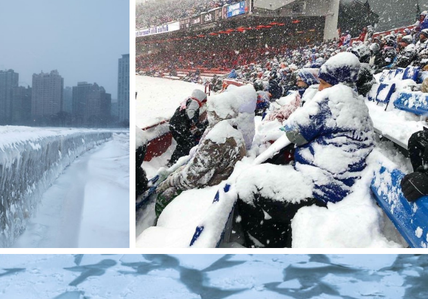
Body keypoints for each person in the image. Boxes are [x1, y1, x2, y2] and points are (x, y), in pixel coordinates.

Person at [238, 52, 375, 247]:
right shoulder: (357, 102)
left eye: (323, 83)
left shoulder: (333, 97)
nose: (319, 88)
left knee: (247, 184)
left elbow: (294, 132)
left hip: (322, 189)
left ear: (335, 82)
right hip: (341, 185)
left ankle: (264, 244)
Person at [155, 85, 255, 219]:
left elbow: (191, 178)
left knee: (164, 198)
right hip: (221, 184)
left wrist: (170, 181)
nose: (207, 115)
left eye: (209, 111)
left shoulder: (218, 138)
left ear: (216, 112)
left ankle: (161, 227)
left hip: (210, 192)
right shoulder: (232, 129)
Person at [168, 89, 208, 165]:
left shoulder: (188, 101)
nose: (203, 104)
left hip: (175, 125)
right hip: (179, 126)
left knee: (183, 143)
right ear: (201, 99)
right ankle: (178, 161)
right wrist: (198, 124)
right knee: (188, 143)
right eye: (204, 102)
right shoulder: (194, 102)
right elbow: (190, 113)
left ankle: (174, 160)